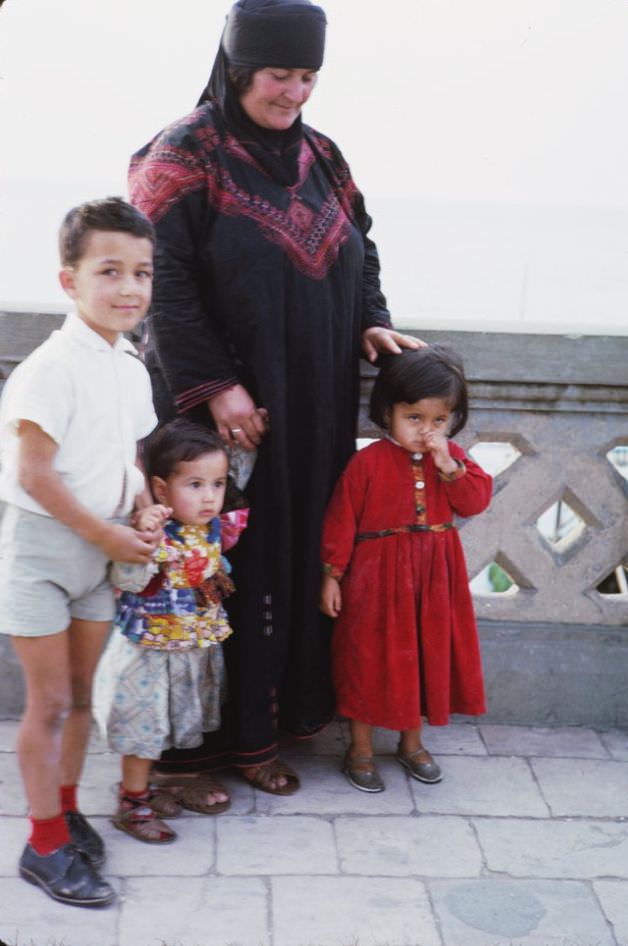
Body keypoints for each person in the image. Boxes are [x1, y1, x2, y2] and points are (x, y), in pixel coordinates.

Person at [128, 0, 424, 795]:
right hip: (213, 419)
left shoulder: (324, 156)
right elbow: (161, 280)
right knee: (215, 571)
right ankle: (190, 758)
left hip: (313, 406)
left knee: (292, 562)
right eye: (278, 74)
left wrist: (373, 323)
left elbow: (362, 249)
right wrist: (217, 387)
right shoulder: (181, 153)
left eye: (307, 76)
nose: (293, 92)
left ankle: (266, 737)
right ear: (235, 67)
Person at [0, 198, 159, 905]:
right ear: (70, 281)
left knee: (84, 696)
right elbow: (32, 475)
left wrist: (143, 507)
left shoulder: (130, 363)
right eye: (110, 271)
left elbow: (123, 455)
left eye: (143, 273)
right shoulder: (50, 366)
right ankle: (41, 844)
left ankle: (64, 810)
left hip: (101, 551)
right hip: (42, 553)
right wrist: (105, 534)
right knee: (51, 700)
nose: (130, 288)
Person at [320, 346, 493, 792]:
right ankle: (359, 748)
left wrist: (449, 466)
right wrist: (332, 575)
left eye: (439, 421)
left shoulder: (452, 459)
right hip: (375, 584)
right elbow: (341, 521)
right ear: (388, 412)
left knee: (422, 657)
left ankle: (411, 743)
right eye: (414, 418)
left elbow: (475, 501)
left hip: (435, 583)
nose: (427, 431)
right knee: (368, 661)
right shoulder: (368, 462)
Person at [93, 418, 248, 843]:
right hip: (147, 650)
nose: (209, 497)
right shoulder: (148, 536)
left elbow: (218, 560)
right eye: (194, 485)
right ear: (161, 489)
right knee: (143, 728)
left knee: (172, 724)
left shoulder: (210, 530)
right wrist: (146, 543)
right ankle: (132, 801)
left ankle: (162, 785)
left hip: (190, 646)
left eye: (217, 484)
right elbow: (125, 579)